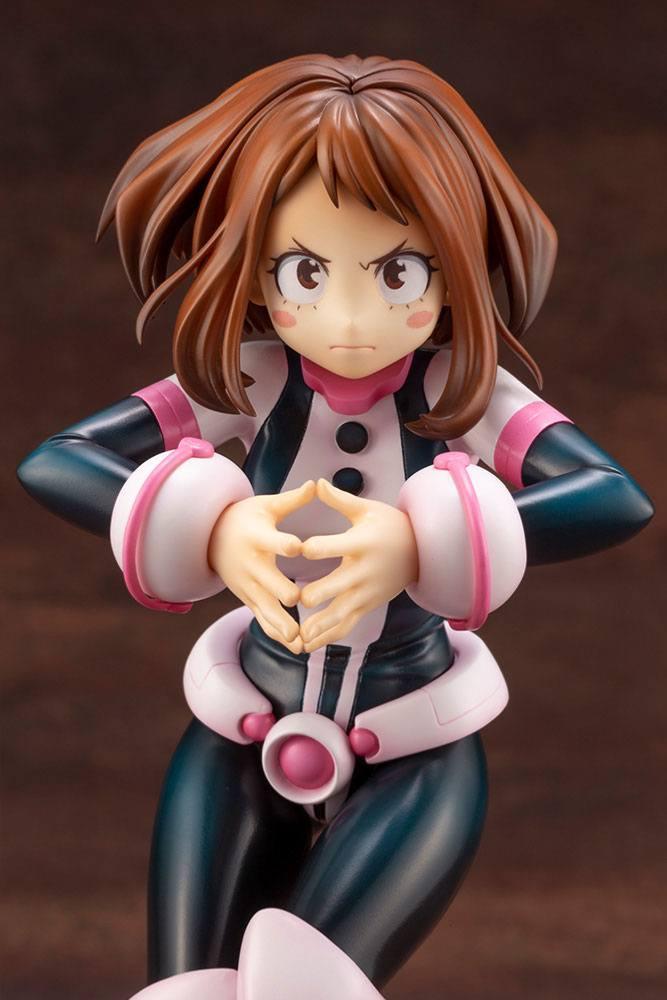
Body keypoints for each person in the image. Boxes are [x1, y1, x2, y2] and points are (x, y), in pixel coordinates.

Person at [17, 54, 654, 993]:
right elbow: (60, 459)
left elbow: (611, 493)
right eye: (306, 271)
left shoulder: (461, 391)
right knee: (187, 985)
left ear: (457, 265)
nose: (349, 318)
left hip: (414, 750)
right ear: (256, 271)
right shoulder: (249, 379)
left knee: (305, 982)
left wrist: (420, 541)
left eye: (398, 271)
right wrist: (210, 527)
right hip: (240, 734)